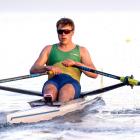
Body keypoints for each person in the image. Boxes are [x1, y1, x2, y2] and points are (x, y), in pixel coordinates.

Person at [30, 17, 98, 103]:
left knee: (65, 92)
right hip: (53, 81)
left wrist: (76, 64)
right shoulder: (48, 49)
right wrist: (48, 67)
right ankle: (48, 103)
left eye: (67, 31)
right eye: (60, 31)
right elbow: (33, 70)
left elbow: (94, 74)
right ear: (57, 32)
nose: (63, 34)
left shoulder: (82, 50)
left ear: (72, 33)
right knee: (50, 91)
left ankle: (59, 107)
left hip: (71, 83)